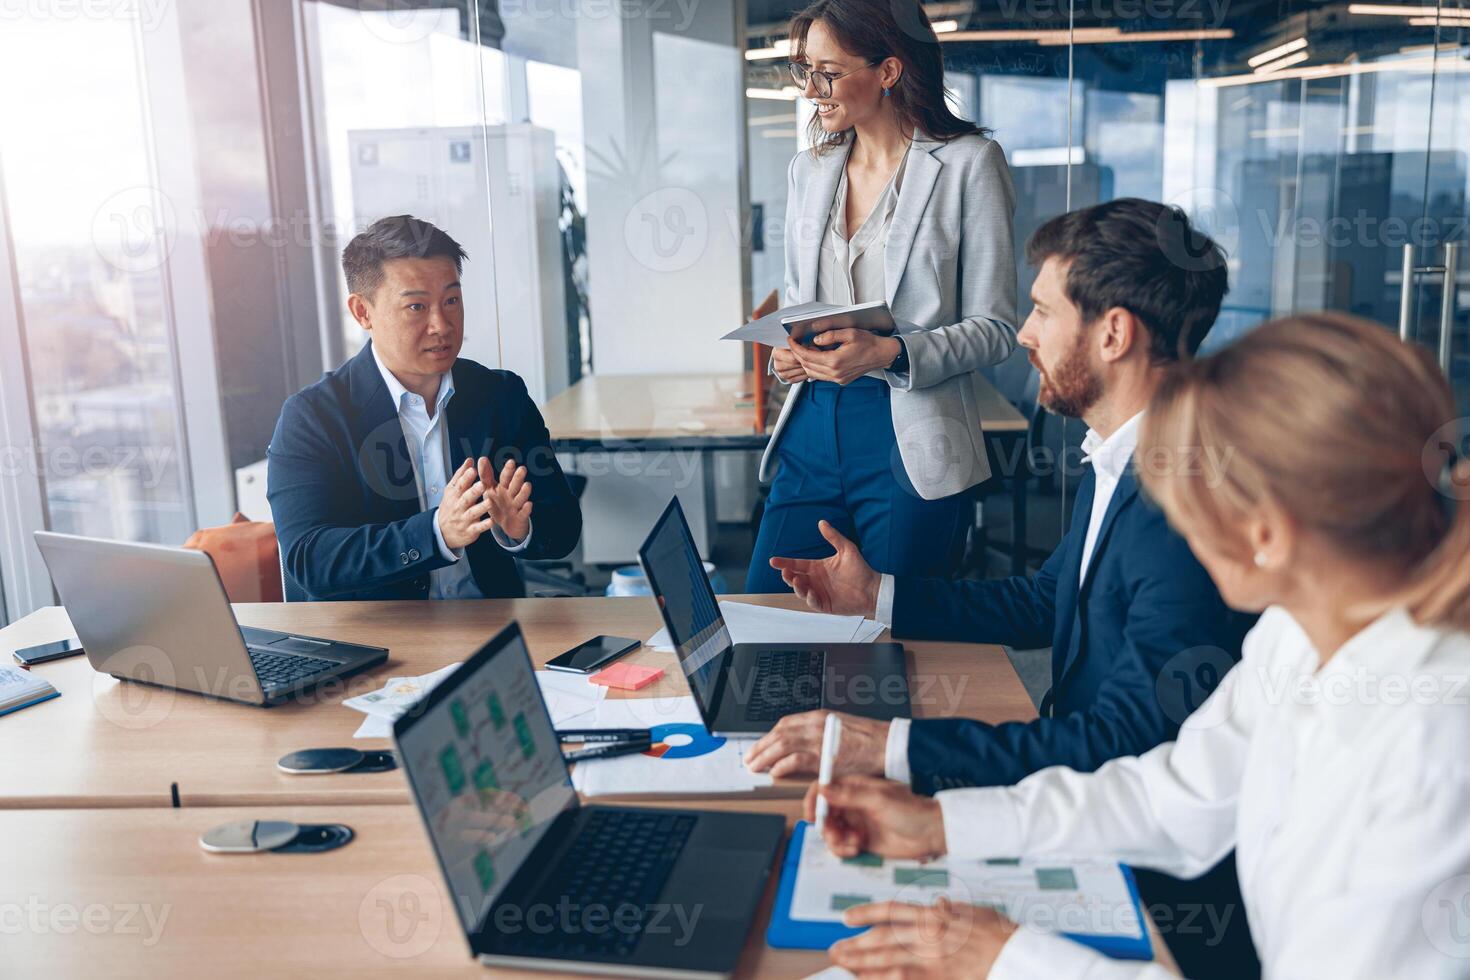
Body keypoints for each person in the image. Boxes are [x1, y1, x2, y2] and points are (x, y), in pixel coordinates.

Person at [805, 312, 1470, 978]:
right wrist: (941, 824)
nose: (1174, 519)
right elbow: (1172, 796)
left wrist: (1005, 959)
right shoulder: (1297, 632)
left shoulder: (1434, 753)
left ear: (1268, 534)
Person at [746, 199, 1246, 792]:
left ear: (1114, 334)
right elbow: (1044, 603)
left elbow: (1127, 743)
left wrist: (889, 746)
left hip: (1117, 822)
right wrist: (876, 594)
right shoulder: (1122, 455)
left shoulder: (1185, 506)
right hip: (1078, 777)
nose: (1024, 335)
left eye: (1041, 311)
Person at [744, 0, 1018, 593]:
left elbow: (996, 329)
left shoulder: (970, 164)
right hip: (812, 426)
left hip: (911, 437)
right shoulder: (808, 170)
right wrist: (789, 355)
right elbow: (801, 304)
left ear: (889, 71)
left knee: (891, 635)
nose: (812, 88)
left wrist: (889, 353)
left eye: (829, 72)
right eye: (805, 69)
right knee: (767, 612)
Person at [267, 215, 581, 601]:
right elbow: (309, 558)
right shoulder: (312, 417)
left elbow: (563, 526)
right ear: (362, 312)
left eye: (451, 301)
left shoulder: (499, 395)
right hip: (382, 641)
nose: (441, 325)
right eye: (417, 307)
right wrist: (436, 533)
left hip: (494, 631)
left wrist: (520, 530)